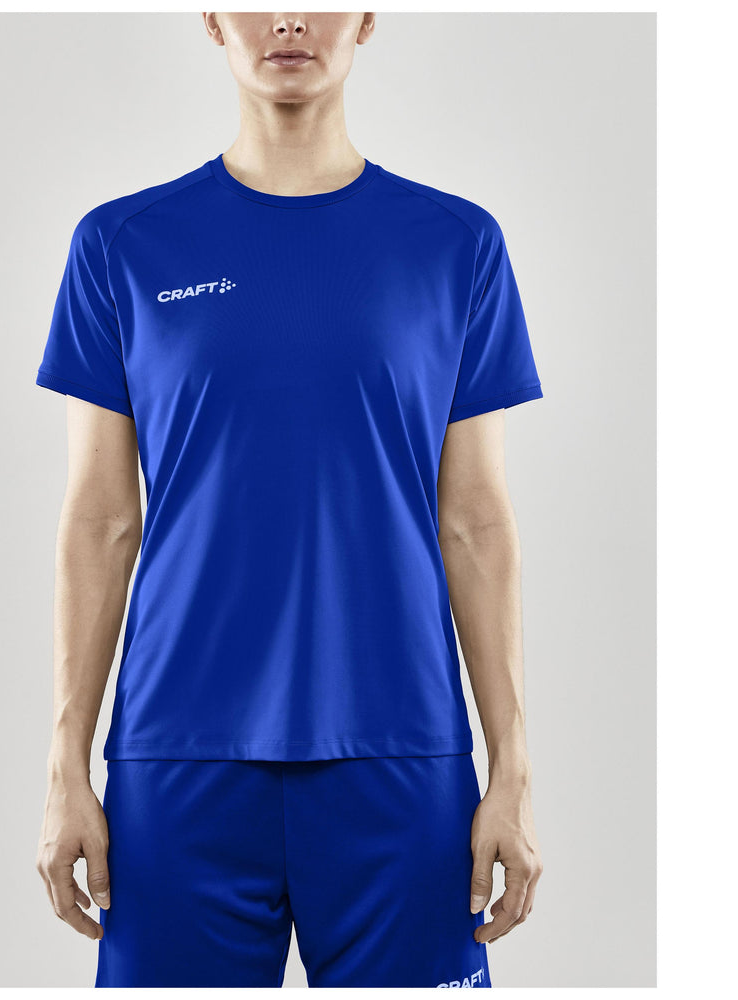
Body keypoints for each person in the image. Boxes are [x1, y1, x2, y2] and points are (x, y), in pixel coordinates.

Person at [34, 11, 543, 989]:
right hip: (178, 757)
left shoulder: (457, 245)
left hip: (401, 752)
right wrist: (66, 765)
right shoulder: (122, 245)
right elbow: (100, 522)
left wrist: (511, 766)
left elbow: (475, 524)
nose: (290, 19)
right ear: (210, 19)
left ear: (368, 18)